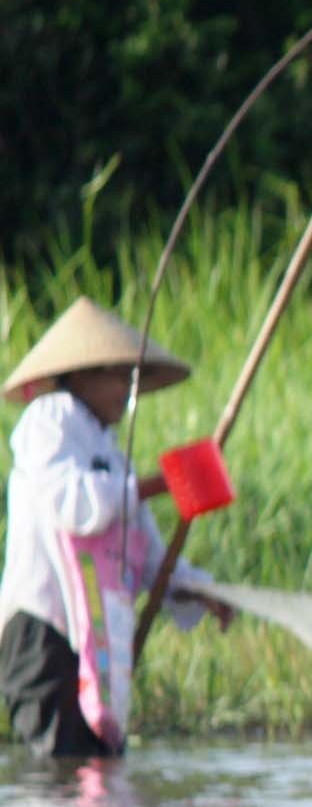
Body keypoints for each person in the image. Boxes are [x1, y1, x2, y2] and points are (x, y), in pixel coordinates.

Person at [0, 297, 230, 758]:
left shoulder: (107, 447)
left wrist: (194, 589)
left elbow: (143, 554)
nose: (128, 391)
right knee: (63, 768)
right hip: (44, 630)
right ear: (85, 374)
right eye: (120, 377)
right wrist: (157, 484)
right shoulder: (50, 419)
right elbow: (75, 504)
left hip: (91, 638)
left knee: (96, 765)